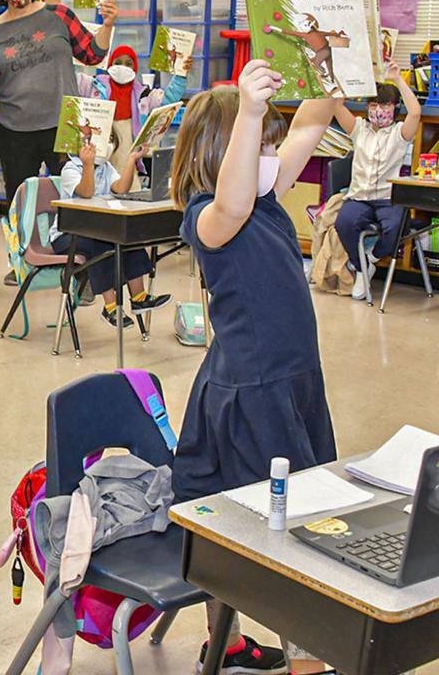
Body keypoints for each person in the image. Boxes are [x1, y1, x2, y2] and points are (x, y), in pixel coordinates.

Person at [169, 63, 338, 675]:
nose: (272, 155)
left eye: (270, 145)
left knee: (281, 517)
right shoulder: (208, 216)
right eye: (260, 144)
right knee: (280, 530)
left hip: (291, 382)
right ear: (221, 152)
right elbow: (233, 200)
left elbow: (313, 122)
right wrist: (248, 110)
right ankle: (301, 660)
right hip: (252, 391)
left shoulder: (264, 195)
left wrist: (326, 63)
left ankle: (228, 645)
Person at [0, 0, 115, 226]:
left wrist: (107, 24)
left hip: (65, 125)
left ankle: (73, 252)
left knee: (76, 201)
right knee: (22, 208)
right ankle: (26, 255)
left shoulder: (59, 15)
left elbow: (92, 54)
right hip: (15, 131)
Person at [49, 139, 171, 327]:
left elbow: (121, 188)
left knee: (127, 237)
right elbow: (86, 192)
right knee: (100, 243)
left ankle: (139, 297)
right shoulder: (70, 169)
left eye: (110, 140)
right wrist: (88, 165)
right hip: (67, 235)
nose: (107, 144)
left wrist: (131, 160)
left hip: (98, 229)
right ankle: (110, 307)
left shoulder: (106, 167)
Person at [330, 64, 421, 299]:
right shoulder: (359, 128)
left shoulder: (399, 133)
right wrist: (350, 79)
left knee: (396, 228)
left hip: (388, 198)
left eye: (385, 105)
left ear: (394, 108)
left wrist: (397, 80)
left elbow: (415, 113)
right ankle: (361, 268)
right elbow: (336, 105)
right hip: (359, 196)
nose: (379, 110)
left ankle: (370, 258)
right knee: (344, 223)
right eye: (373, 105)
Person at [76, 45, 187, 178]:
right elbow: (71, 78)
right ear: (110, 64)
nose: (123, 67)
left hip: (127, 164)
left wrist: (181, 72)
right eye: (118, 63)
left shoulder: (144, 96)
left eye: (128, 64)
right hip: (96, 164)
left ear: (135, 68)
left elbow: (168, 99)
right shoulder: (93, 86)